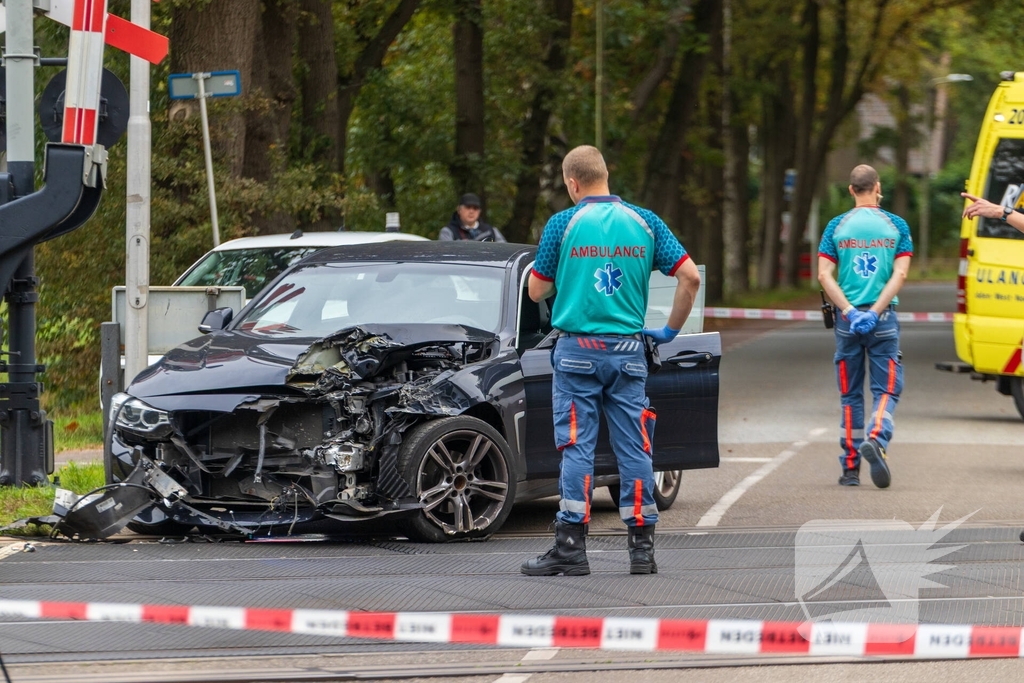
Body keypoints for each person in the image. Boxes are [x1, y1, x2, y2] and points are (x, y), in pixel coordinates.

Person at [521, 145, 701, 576]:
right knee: (635, 447)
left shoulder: (563, 224)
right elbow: (690, 277)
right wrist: (670, 330)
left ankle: (571, 547)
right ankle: (642, 550)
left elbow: (536, 291)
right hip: (628, 353)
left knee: (577, 447)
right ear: (606, 175)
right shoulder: (645, 222)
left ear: (572, 183)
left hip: (578, 354)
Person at [817, 164, 913, 489]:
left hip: (846, 323)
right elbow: (899, 275)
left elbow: (823, 275)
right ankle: (877, 437)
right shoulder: (896, 225)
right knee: (886, 389)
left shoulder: (836, 226)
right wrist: (875, 311)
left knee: (850, 395)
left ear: (851, 190)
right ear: (877, 187)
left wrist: (848, 310)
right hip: (883, 320)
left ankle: (849, 469)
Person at [438, 193, 506, 242]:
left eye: (475, 208)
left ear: (479, 212)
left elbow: (504, 251)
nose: (471, 211)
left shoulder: (491, 231)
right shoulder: (448, 232)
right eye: (468, 207)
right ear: (459, 210)